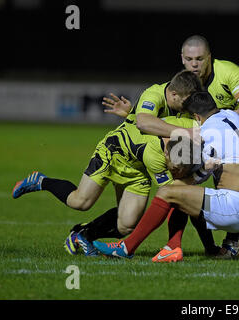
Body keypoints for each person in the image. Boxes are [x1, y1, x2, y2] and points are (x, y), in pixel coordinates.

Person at [12, 70, 205, 256]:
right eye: (187, 101)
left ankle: (83, 234)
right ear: (173, 94)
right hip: (113, 153)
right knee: (80, 202)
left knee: (126, 224)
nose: (191, 106)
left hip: (138, 168)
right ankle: (41, 181)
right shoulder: (154, 95)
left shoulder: (184, 113)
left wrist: (131, 114)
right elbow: (144, 123)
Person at [93, 91, 239, 260]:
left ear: (196, 116)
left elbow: (195, 176)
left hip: (233, 207)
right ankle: (185, 247)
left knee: (170, 191)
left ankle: (126, 248)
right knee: (186, 195)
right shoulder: (232, 115)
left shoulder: (206, 133)